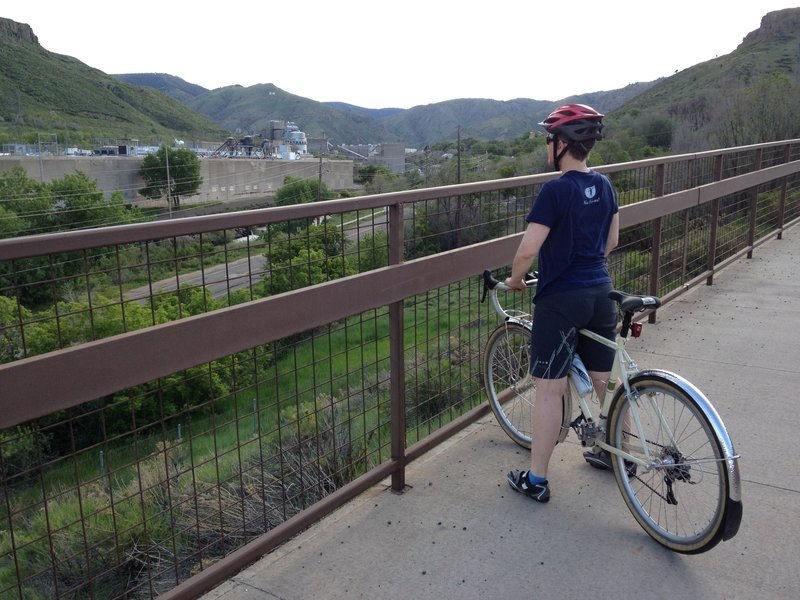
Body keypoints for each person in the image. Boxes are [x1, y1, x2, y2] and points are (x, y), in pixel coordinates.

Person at [504, 103, 619, 503]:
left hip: (560, 298)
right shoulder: (605, 186)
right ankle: (609, 450)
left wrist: (516, 280)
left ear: (561, 144)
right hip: (601, 292)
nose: (545, 146)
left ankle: (536, 479)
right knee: (603, 380)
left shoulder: (554, 190)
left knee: (549, 390)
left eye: (548, 139)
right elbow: (611, 242)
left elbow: (527, 250)